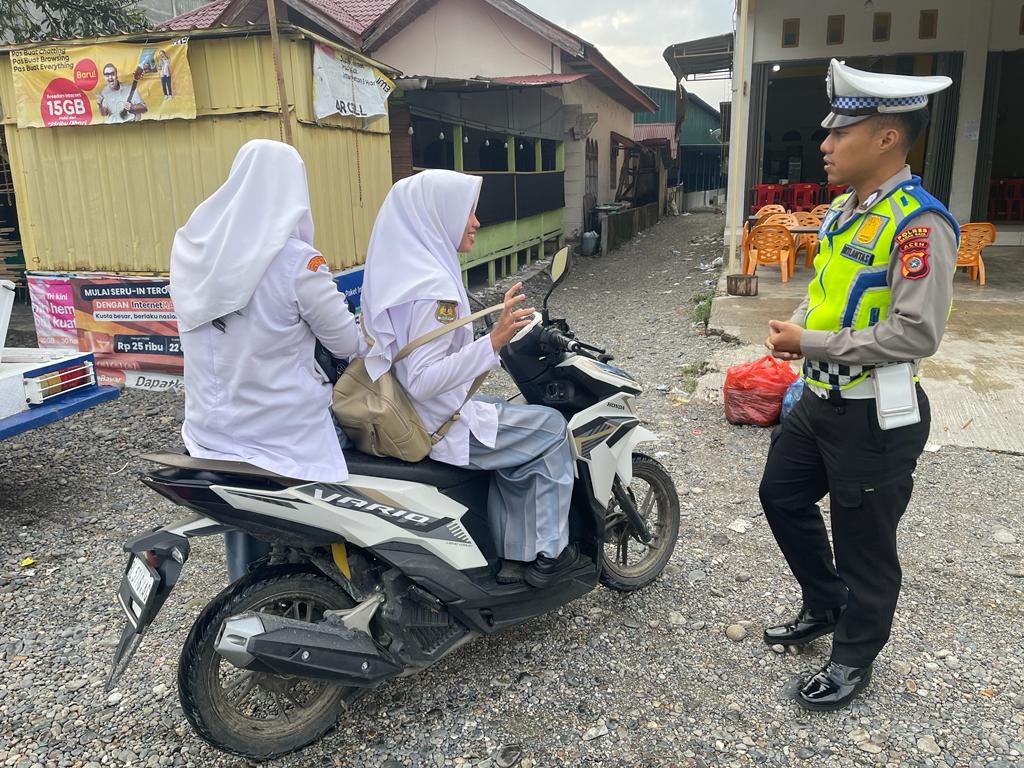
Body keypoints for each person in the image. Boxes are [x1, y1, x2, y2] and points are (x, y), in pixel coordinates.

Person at [759, 59, 958, 711]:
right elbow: (839, 297)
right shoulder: (848, 211)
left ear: (887, 138)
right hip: (818, 400)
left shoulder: (919, 225)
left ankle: (853, 656)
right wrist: (799, 327)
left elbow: (913, 334)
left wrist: (806, 342)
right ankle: (825, 604)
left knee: (864, 545)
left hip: (877, 413)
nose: (824, 145)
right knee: (781, 497)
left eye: (840, 133)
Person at [360, 169, 578, 588]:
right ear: (437, 215)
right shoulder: (433, 287)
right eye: (467, 211)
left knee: (507, 413)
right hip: (437, 423)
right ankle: (549, 553)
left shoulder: (402, 271)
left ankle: (514, 554)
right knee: (551, 428)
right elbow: (423, 378)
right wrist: (493, 342)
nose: (476, 221)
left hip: (409, 411)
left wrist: (490, 331)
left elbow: (416, 354)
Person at [169, 139, 365, 581]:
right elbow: (347, 343)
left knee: (243, 510)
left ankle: (248, 588)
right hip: (280, 428)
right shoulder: (297, 262)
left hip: (208, 429)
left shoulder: (191, 250)